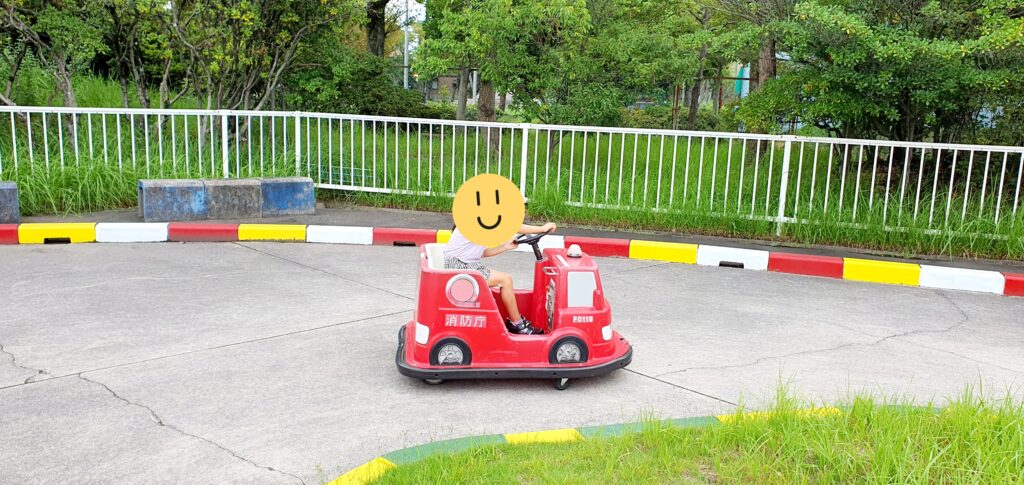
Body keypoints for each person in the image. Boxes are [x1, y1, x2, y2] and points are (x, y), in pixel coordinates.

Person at [443, 222, 556, 334]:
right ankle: (517, 324)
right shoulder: (473, 224)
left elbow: (482, 253)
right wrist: (542, 228)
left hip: (465, 265)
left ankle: (516, 321)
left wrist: (504, 247)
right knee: (505, 280)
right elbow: (509, 226)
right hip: (461, 268)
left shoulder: (474, 226)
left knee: (505, 279)